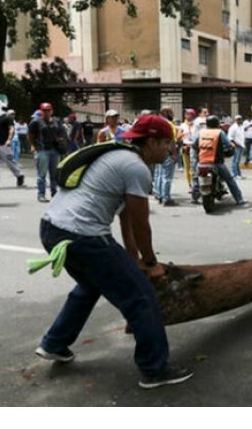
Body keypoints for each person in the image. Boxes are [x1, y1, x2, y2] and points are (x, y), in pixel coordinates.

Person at [34, 114, 194, 389]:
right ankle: (154, 369)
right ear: (152, 141)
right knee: (142, 297)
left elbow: (124, 218)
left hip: (52, 228)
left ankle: (54, 343)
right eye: (167, 143)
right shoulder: (136, 167)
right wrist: (150, 262)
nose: (170, 150)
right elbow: (141, 224)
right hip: (83, 236)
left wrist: (132, 258)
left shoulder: (119, 156)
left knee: (90, 285)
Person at [192, 115, 246, 206]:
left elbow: (194, 145)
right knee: (230, 180)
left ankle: (194, 198)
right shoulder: (219, 132)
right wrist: (232, 147)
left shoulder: (201, 132)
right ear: (217, 124)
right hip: (216, 162)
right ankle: (239, 199)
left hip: (202, 162)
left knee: (197, 179)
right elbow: (228, 144)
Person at [28, 102, 68, 203]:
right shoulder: (36, 122)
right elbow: (31, 135)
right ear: (41, 111)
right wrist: (33, 145)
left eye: (48, 110)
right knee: (42, 174)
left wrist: (61, 140)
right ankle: (41, 194)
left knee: (54, 173)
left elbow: (62, 132)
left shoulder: (57, 121)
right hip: (42, 150)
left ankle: (54, 192)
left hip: (55, 150)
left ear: (52, 111)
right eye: (45, 110)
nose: (47, 112)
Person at [0, 96, 25, 190]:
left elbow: (11, 129)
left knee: (10, 161)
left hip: (4, 143)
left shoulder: (6, 117)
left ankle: (19, 175)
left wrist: (9, 139)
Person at [153, 107, 178, 206]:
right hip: (167, 152)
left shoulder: (156, 123)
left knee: (159, 174)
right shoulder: (169, 124)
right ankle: (166, 198)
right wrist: (174, 153)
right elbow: (171, 140)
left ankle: (159, 195)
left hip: (158, 151)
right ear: (167, 113)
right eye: (171, 112)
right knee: (166, 176)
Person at [227, 115, 245, 179]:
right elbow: (230, 137)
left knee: (238, 161)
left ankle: (239, 173)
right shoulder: (233, 127)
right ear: (235, 120)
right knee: (235, 160)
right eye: (238, 119)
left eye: (240, 119)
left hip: (241, 145)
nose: (240, 120)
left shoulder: (241, 126)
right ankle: (235, 174)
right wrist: (235, 143)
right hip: (236, 146)